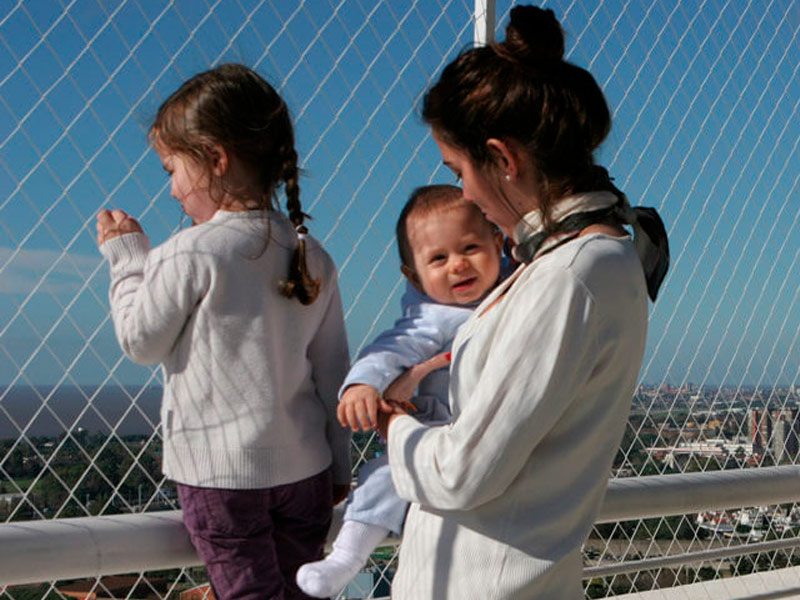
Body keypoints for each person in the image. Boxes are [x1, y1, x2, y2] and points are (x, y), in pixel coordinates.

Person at [377, 6, 669, 599]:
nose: (463, 192)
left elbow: (463, 472)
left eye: (459, 169)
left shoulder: (571, 276)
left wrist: (394, 427)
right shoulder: (590, 257)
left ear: (504, 159)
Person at [95, 63, 351, 600]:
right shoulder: (313, 255)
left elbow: (140, 341)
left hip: (223, 479)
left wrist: (127, 261)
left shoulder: (191, 252)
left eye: (171, 170)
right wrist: (339, 467)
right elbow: (333, 375)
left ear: (215, 158)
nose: (170, 191)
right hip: (307, 472)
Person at [296, 184, 507, 598]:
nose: (458, 266)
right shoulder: (434, 318)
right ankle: (346, 558)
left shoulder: (516, 291)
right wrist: (362, 384)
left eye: (471, 248)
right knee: (383, 476)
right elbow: (391, 348)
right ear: (414, 276)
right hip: (433, 428)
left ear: (499, 244)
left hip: (487, 428)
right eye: (438, 258)